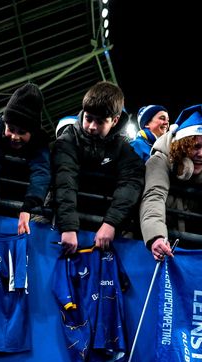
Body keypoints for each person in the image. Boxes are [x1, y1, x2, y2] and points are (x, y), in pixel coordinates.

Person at [139, 104, 202, 260]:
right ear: (182, 145)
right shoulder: (159, 160)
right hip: (160, 249)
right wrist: (156, 236)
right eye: (196, 146)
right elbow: (154, 196)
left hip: (194, 251)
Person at [52, 81, 144, 253]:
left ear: (115, 121)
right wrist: (68, 226)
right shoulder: (67, 141)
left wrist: (111, 223)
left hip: (102, 229)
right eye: (88, 119)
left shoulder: (123, 149)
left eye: (100, 121)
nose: (92, 127)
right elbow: (65, 180)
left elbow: (132, 182)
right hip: (63, 226)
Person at [0, 82, 51, 235]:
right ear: (5, 123)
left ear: (32, 133)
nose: (15, 137)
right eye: (11, 129)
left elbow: (41, 172)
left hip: (22, 198)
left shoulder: (41, 140)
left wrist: (27, 209)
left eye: (22, 132)